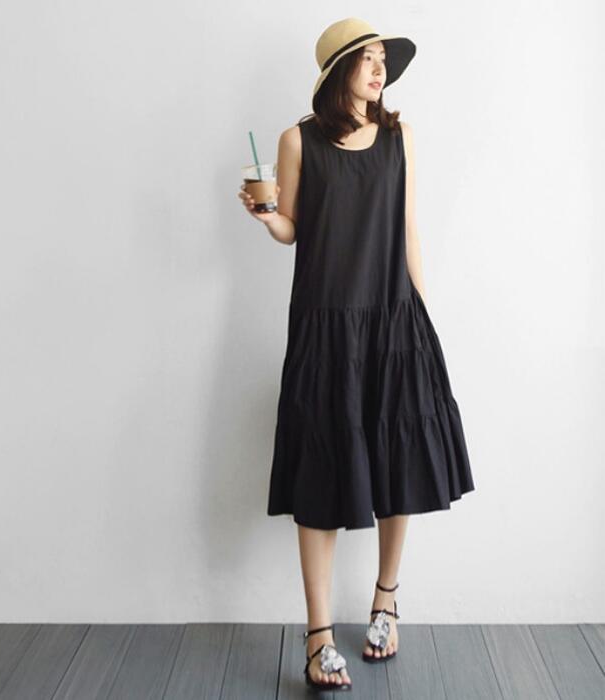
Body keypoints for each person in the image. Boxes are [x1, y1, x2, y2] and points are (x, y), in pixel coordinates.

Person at [238, 18, 475, 691]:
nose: (379, 70)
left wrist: (419, 318)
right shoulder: (298, 140)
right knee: (322, 470)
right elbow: (293, 228)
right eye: (366, 60)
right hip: (324, 325)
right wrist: (267, 215)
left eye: (381, 60)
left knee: (400, 458)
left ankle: (385, 602)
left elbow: (408, 229)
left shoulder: (400, 137)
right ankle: (317, 635)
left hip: (394, 319)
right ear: (337, 71)